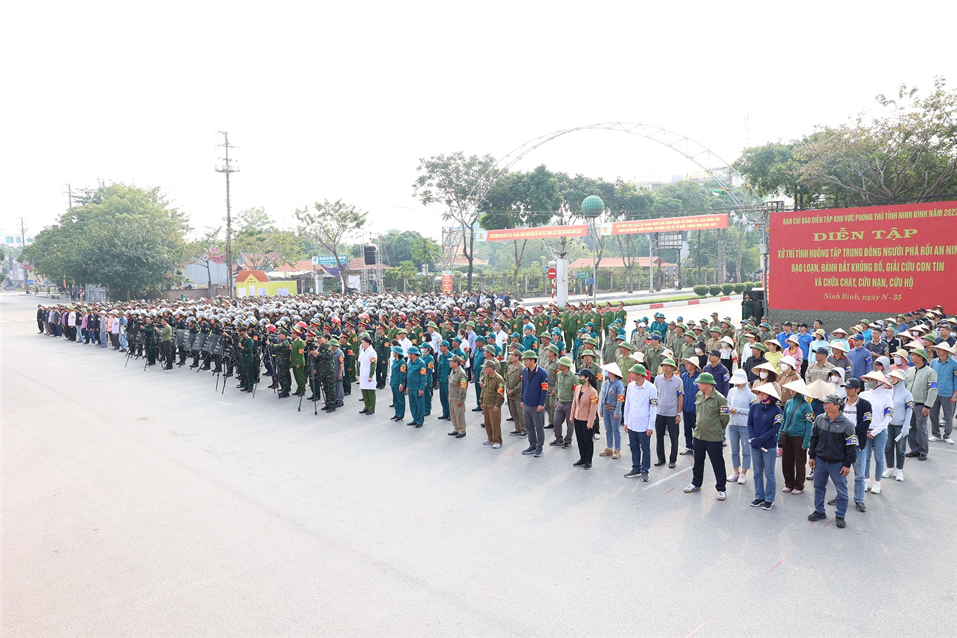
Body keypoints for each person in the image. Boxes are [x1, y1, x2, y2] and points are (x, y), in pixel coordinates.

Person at [808, 394, 857, 529]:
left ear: (836, 406)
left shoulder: (847, 425)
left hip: (838, 464)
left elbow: (851, 447)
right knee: (818, 488)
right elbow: (814, 439)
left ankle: (840, 516)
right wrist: (812, 456)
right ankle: (819, 511)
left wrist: (847, 464)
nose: (824, 405)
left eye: (827, 403)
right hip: (820, 461)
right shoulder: (819, 419)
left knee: (841, 491)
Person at [684, 372, 730, 500]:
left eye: (700, 382)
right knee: (698, 462)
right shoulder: (698, 395)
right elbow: (697, 412)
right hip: (699, 435)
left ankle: (721, 489)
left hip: (713, 437)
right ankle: (696, 483)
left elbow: (725, 418)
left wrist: (717, 429)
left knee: (717, 463)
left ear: (708, 384)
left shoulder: (720, 399)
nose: (698, 384)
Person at [747, 383, 783, 510]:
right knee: (757, 472)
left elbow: (775, 429)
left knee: (769, 474)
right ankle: (759, 496)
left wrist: (759, 440)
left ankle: (769, 498)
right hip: (755, 445)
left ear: (771, 396)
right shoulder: (754, 407)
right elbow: (749, 424)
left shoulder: (777, 411)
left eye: (764, 393)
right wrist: (753, 439)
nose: (761, 395)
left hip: (769, 446)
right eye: (760, 393)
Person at [860, 371, 893, 494]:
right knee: (865, 457)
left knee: (879, 457)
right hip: (865, 430)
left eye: (872, 380)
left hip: (880, 431)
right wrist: (864, 429)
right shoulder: (863, 395)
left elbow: (888, 417)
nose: (869, 382)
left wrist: (875, 431)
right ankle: (866, 479)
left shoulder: (887, 397)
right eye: (868, 379)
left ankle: (877, 482)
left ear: (879, 383)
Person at [780, 379, 814, 495]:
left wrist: (806, 441)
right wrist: (781, 432)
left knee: (800, 462)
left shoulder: (807, 406)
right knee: (786, 461)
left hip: (799, 436)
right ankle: (788, 483)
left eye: (794, 390)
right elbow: (784, 418)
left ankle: (799, 485)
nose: (791, 391)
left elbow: (809, 424)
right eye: (791, 389)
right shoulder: (788, 403)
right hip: (788, 435)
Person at [623, 363, 656, 481]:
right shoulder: (631, 386)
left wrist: (651, 426)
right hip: (632, 422)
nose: (630, 375)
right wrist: (626, 421)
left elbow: (653, 408)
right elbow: (627, 404)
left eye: (633, 373)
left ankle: (645, 470)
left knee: (645, 449)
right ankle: (635, 468)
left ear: (640, 375)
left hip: (644, 424)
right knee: (634, 447)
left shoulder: (651, 388)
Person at [904, 347, 937, 461]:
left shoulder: (930, 372)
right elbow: (905, 386)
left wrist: (927, 405)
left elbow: (933, 389)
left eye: (913, 355)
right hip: (909, 404)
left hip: (921, 404)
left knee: (921, 428)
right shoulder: (909, 370)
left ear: (921, 357)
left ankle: (923, 451)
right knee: (910, 427)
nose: (911, 357)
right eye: (911, 354)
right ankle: (914, 449)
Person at [653, 358, 684, 469]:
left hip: (672, 413)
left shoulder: (678, 381)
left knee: (673, 438)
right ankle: (661, 458)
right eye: (664, 366)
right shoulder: (657, 379)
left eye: (668, 366)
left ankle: (672, 459)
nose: (665, 368)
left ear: (672, 368)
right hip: (660, 412)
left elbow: (680, 398)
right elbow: (654, 395)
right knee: (659, 437)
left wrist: (678, 413)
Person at [726, 369, 754, 486]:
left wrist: (738, 410)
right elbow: (727, 404)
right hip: (732, 424)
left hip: (745, 425)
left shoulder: (750, 393)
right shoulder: (732, 391)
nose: (737, 384)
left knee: (746, 451)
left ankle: (743, 473)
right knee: (734, 450)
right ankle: (736, 471)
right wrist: (728, 409)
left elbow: (752, 411)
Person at [884, 369, 913, 482]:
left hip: (900, 425)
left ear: (901, 379)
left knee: (901, 449)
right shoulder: (888, 392)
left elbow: (909, 411)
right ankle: (890, 468)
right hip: (889, 425)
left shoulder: (907, 394)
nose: (893, 379)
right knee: (888, 447)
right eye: (892, 377)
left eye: (895, 377)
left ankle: (899, 470)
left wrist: (906, 426)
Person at [520, 350, 549, 458]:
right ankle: (532, 445)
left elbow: (544, 390)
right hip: (527, 404)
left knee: (539, 427)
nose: (524, 362)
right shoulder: (524, 371)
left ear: (533, 360)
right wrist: (522, 399)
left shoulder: (542, 373)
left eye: (526, 360)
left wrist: (541, 404)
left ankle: (539, 447)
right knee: (529, 426)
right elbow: (523, 386)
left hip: (537, 405)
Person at [571, 368, 599, 468]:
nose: (579, 378)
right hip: (577, 418)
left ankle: (588, 460)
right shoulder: (578, 388)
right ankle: (582, 458)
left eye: (581, 376)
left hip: (586, 419)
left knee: (587, 441)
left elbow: (593, 409)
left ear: (587, 378)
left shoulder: (593, 392)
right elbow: (574, 402)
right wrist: (572, 416)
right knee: (580, 440)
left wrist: (590, 422)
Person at [928, 343, 956, 444]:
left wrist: (955, 394)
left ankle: (947, 435)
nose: (938, 351)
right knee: (933, 414)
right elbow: (930, 377)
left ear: (946, 351)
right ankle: (935, 434)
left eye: (940, 349)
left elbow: (956, 379)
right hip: (934, 392)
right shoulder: (934, 362)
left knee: (948, 415)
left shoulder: (954, 364)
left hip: (948, 392)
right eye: (937, 349)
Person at [598, 362, 625, 459]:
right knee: (608, 430)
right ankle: (609, 447)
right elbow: (603, 397)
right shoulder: (606, 383)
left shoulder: (619, 384)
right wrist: (601, 408)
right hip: (606, 409)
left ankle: (617, 449)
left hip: (613, 410)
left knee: (616, 430)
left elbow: (620, 399)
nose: (607, 373)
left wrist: (617, 411)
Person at [550, 356, 577, 448]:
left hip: (569, 403)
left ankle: (568, 440)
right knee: (556, 421)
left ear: (565, 365)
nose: (558, 365)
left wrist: (574, 406)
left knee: (570, 424)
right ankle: (559, 439)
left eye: (560, 363)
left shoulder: (573, 378)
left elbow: (575, 392)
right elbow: (557, 387)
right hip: (560, 402)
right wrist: (556, 400)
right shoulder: (559, 375)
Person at [479, 359, 505, 445]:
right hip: (486, 404)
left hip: (493, 405)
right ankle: (490, 438)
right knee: (487, 423)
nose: (484, 370)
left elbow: (500, 393)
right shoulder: (486, 377)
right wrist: (482, 401)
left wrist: (497, 405)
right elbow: (483, 390)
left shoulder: (498, 379)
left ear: (491, 368)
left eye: (486, 368)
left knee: (495, 424)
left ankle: (497, 440)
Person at [505, 349, 526, 438]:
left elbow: (522, 382)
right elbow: (506, 379)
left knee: (520, 413)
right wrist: (508, 389)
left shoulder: (522, 368)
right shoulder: (510, 367)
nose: (511, 357)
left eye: (512, 355)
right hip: (510, 394)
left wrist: (513, 391)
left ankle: (524, 430)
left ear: (517, 357)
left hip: (518, 394)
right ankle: (517, 428)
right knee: (513, 412)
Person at [447, 355, 469, 439]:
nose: (450, 363)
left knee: (459, 415)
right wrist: (449, 396)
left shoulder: (461, 373)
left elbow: (463, 387)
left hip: (457, 398)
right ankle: (456, 429)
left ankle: (462, 430)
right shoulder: (453, 371)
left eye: (451, 361)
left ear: (456, 363)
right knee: (453, 415)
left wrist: (461, 399)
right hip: (452, 397)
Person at [405, 345, 427, 427]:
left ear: (413, 354)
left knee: (419, 405)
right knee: (412, 404)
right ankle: (415, 418)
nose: (408, 355)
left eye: (409, 353)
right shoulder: (410, 362)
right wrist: (407, 386)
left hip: (417, 387)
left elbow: (423, 376)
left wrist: (421, 388)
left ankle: (420, 421)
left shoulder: (421, 363)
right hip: (411, 387)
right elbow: (408, 375)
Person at [357, 336, 377, 415]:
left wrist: (370, 375)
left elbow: (373, 364)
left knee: (370, 392)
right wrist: (358, 374)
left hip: (368, 374)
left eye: (363, 343)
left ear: (368, 343)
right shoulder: (363, 351)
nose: (362, 344)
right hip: (362, 374)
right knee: (364, 391)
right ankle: (366, 406)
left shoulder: (372, 352)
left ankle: (371, 408)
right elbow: (359, 363)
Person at [389, 346, 407, 422]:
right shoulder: (394, 361)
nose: (393, 353)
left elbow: (402, 374)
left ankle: (401, 415)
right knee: (395, 399)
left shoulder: (402, 362)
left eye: (394, 352)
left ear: (397, 353)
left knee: (400, 399)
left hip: (398, 383)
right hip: (393, 382)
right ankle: (397, 413)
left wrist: (401, 383)